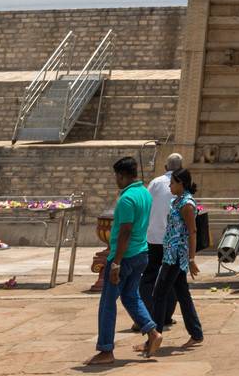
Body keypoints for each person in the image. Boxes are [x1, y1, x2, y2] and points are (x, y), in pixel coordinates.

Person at [87, 155, 160, 364]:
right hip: (141, 253)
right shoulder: (144, 194)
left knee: (108, 303)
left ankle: (106, 350)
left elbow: (125, 232)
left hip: (125, 257)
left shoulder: (127, 199)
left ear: (122, 176)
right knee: (130, 297)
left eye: (117, 176)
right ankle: (152, 332)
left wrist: (116, 263)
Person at [144, 167, 203, 349]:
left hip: (177, 255)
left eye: (172, 182)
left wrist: (191, 259)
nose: (169, 185)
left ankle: (154, 337)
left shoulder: (187, 204)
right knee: (182, 293)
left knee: (159, 294)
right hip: (170, 253)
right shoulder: (177, 201)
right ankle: (196, 333)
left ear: (181, 184)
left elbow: (192, 232)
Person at [138, 150, 183, 330]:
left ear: (165, 167)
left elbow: (146, 205)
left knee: (149, 277)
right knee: (171, 278)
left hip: (154, 237)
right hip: (173, 239)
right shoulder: (183, 185)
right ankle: (165, 316)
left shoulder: (156, 183)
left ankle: (147, 314)